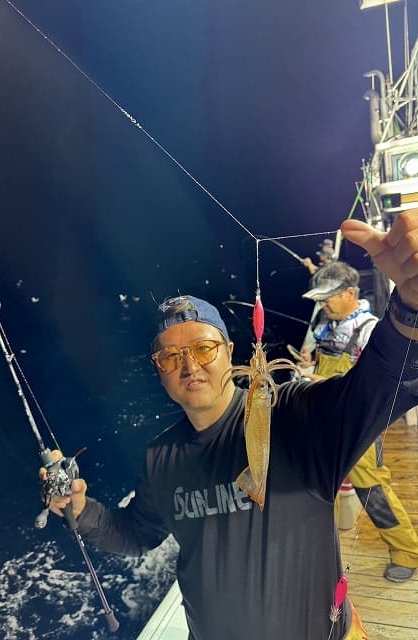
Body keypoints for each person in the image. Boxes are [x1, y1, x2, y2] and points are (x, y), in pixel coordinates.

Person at [44, 211, 418, 640]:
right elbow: (136, 535)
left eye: (203, 348)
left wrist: (410, 306)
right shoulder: (160, 457)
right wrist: (81, 511)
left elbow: (390, 380)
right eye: (170, 357)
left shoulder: (300, 416)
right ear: (158, 369)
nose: (189, 366)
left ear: (229, 350)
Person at [299, 261, 418, 582]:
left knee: (371, 486)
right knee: (320, 483)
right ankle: (322, 553)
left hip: (361, 420)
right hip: (323, 414)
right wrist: (307, 364)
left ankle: (406, 550)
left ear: (350, 294)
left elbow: (378, 381)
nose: (323, 305)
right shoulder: (324, 323)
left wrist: (319, 380)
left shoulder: (370, 329)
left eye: (327, 298)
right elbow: (318, 360)